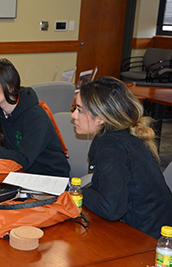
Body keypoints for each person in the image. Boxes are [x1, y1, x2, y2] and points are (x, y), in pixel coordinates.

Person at [72, 76, 172, 239]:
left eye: (80, 110)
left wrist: (77, 192)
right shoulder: (117, 136)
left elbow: (111, 208)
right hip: (149, 227)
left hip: (149, 240)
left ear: (101, 118)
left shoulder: (111, 147)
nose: (74, 115)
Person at [0, 58, 70, 177]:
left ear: (10, 87)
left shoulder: (35, 116)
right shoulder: (1, 111)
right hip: (19, 175)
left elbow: (23, 160)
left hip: (49, 179)